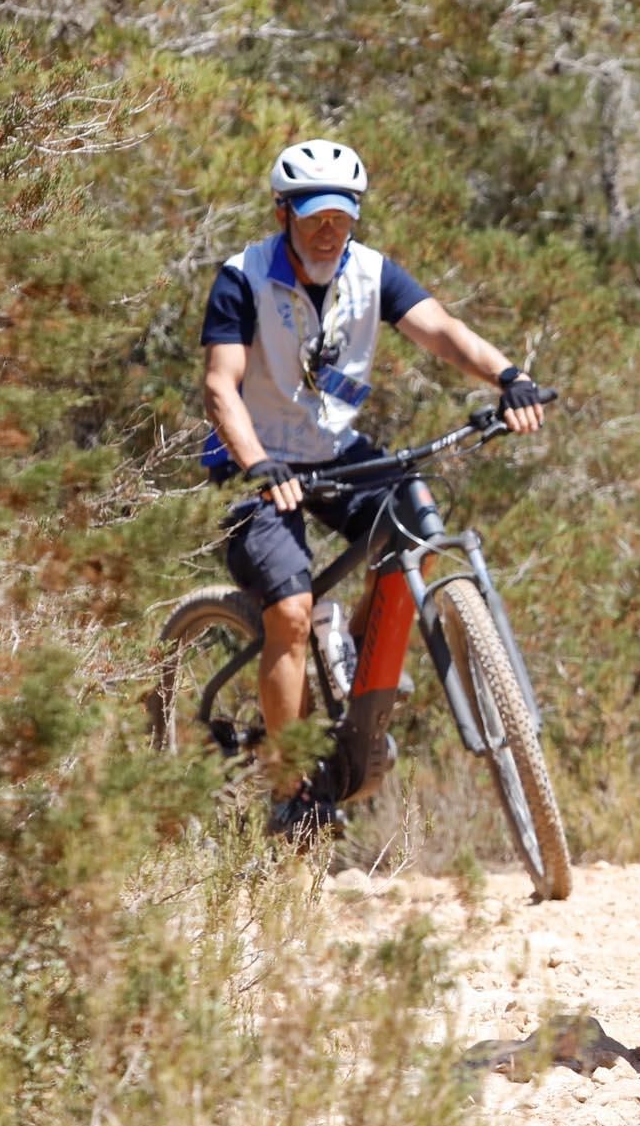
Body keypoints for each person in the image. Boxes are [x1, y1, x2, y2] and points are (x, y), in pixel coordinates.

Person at [200, 138, 548, 832]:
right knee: (291, 611)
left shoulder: (370, 273)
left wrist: (509, 376)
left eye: (342, 217)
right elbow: (220, 386)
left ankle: (352, 659)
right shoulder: (243, 277)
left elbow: (442, 332)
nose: (329, 231)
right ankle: (291, 789)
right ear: (282, 215)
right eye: (313, 217)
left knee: (416, 517)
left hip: (335, 450)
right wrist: (258, 463)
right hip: (257, 458)